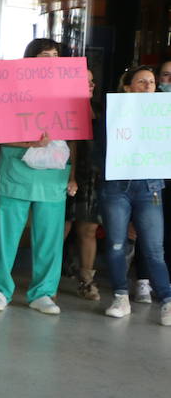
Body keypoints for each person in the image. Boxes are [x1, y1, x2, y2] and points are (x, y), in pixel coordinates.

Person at [0, 37, 69, 315]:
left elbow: (77, 136)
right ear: (29, 60)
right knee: (5, 235)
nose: (51, 60)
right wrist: (30, 143)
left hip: (53, 176)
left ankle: (43, 293)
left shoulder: (68, 93)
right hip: (15, 172)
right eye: (45, 55)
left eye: (56, 55)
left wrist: (75, 174)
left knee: (49, 237)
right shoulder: (11, 90)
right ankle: (0, 289)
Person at [97, 66, 171, 324]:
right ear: (127, 87)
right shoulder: (114, 113)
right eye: (141, 82)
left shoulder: (164, 114)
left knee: (154, 248)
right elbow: (102, 149)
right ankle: (120, 296)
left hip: (150, 187)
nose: (148, 86)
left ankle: (167, 300)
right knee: (116, 244)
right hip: (117, 186)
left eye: (152, 82)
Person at [68, 69, 102, 300]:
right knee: (62, 227)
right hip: (71, 174)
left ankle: (86, 281)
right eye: (85, 81)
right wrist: (70, 177)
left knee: (88, 229)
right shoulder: (67, 108)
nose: (91, 84)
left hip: (94, 176)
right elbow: (72, 147)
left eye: (92, 80)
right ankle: (46, 280)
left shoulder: (101, 109)